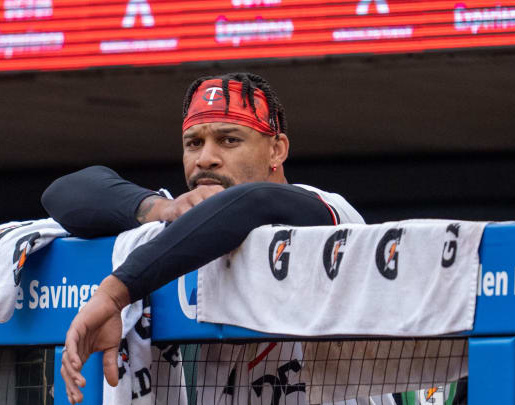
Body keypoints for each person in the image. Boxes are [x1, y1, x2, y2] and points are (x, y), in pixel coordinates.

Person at [42, 72, 365, 404]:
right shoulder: (182, 230)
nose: (205, 158)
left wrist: (113, 295)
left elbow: (254, 204)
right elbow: (63, 193)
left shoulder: (328, 213)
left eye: (229, 140)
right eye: (194, 143)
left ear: (276, 150)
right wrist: (160, 208)